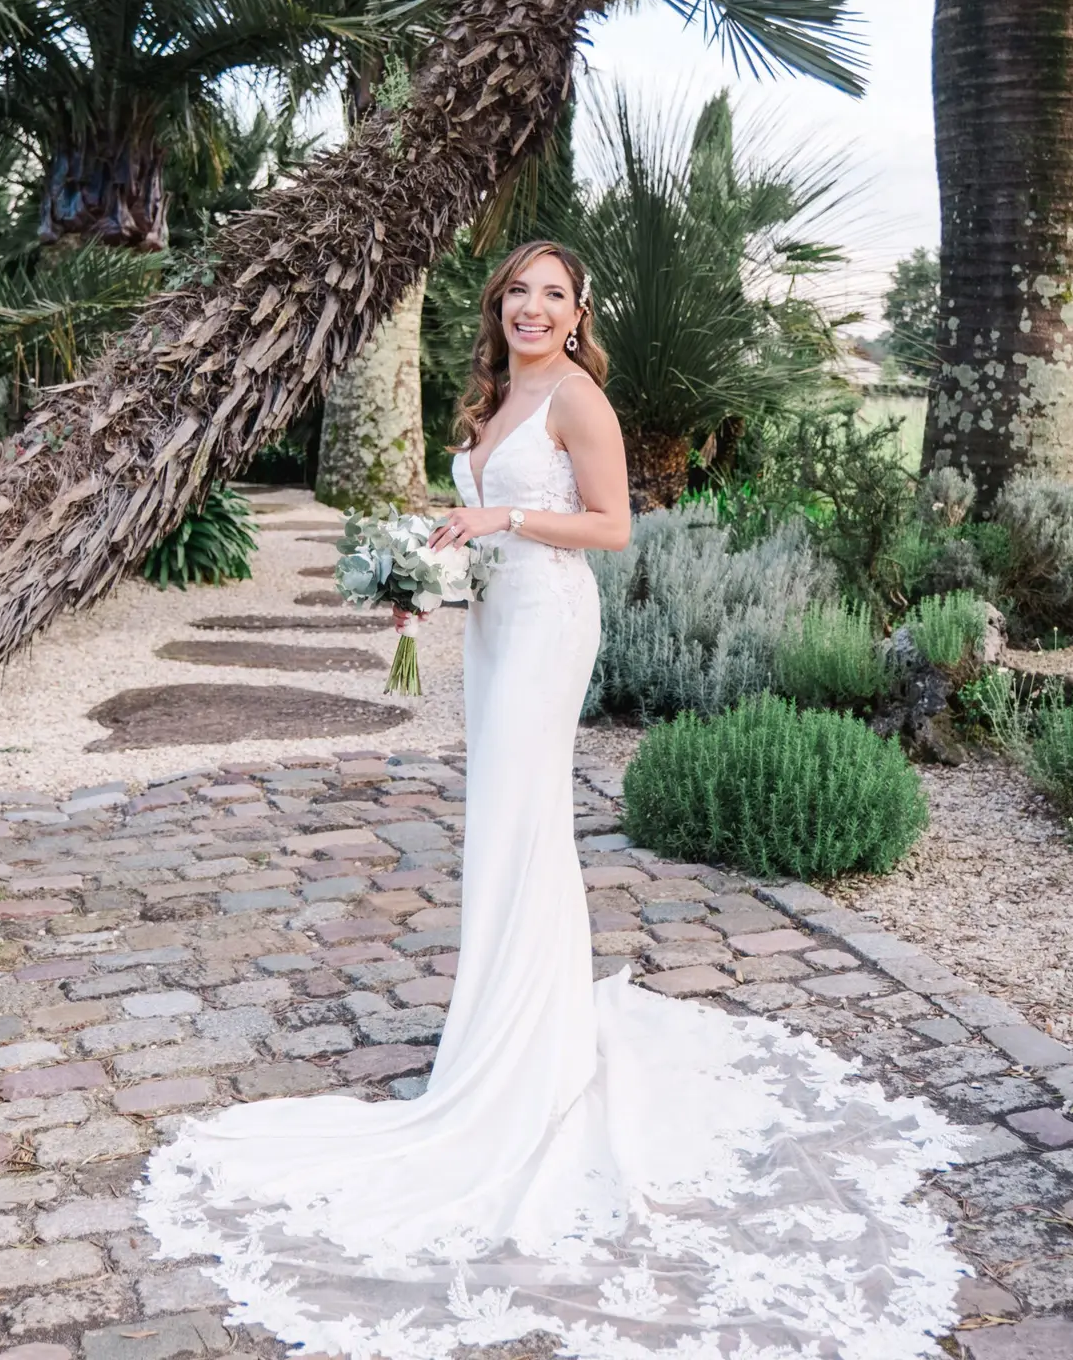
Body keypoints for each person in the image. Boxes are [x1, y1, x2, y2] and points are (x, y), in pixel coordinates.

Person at [141, 241, 964, 1360]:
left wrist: (504, 525)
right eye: (518, 293)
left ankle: (530, 1063)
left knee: (523, 824)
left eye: (553, 296)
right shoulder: (491, 398)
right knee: (498, 826)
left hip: (548, 622)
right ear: (499, 308)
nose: (532, 308)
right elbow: (478, 515)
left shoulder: (578, 397)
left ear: (578, 315)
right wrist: (429, 568)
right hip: (495, 623)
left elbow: (613, 526)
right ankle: (500, 1030)